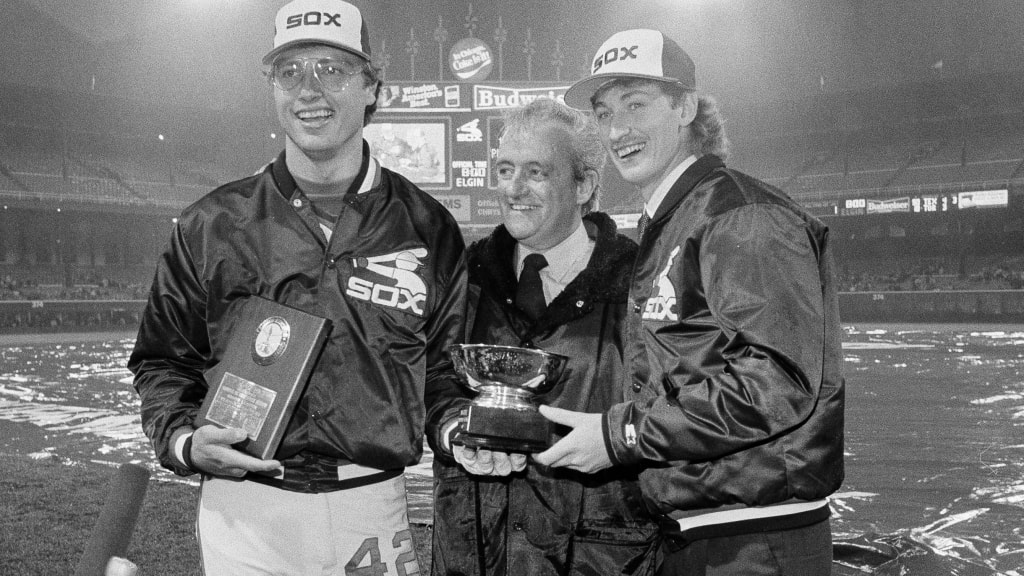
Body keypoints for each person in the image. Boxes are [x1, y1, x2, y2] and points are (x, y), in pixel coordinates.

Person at [127, 1, 467, 574]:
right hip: (243, 510)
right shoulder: (211, 223)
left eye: (333, 70)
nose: (310, 90)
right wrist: (185, 439)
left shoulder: (429, 227)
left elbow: (446, 371)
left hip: (370, 499)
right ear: (273, 89)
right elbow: (163, 360)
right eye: (291, 72)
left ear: (372, 87)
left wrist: (459, 426)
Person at [535, 29, 846, 575]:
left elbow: (778, 380)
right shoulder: (678, 218)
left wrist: (620, 434)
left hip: (754, 536)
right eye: (605, 113)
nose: (617, 129)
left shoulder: (740, 215)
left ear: (684, 107)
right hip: (706, 528)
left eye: (636, 104)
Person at [428, 98, 660, 575]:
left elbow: (668, 412)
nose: (514, 189)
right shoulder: (464, 274)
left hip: (599, 561)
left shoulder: (641, 282)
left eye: (536, 172)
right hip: (471, 557)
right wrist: (454, 431)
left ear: (584, 185)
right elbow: (432, 383)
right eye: (505, 170)